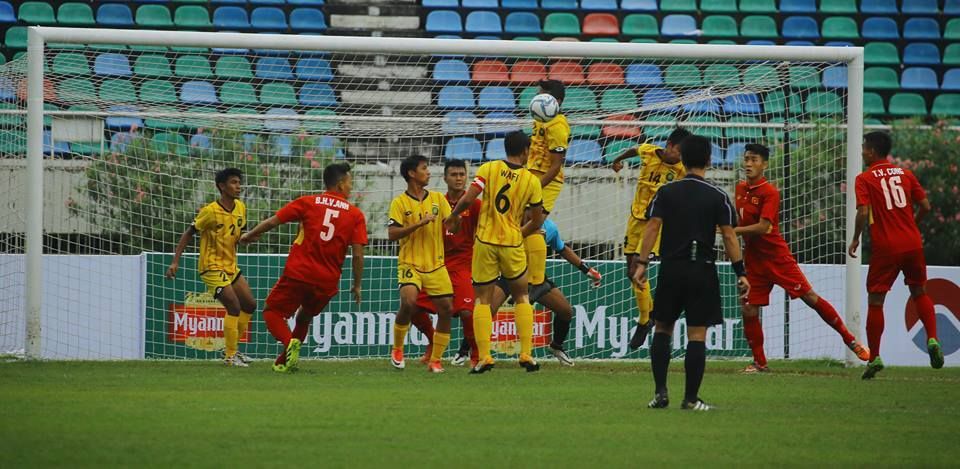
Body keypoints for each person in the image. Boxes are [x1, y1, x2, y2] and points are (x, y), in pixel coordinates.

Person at [633, 135, 749, 411]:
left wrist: (641, 263)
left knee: (662, 328)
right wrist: (740, 272)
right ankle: (691, 399)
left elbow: (651, 227)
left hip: (671, 269)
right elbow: (730, 237)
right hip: (702, 270)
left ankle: (661, 393)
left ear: (682, 160)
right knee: (697, 335)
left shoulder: (666, 192)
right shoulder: (717, 195)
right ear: (709, 160)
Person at [735, 143, 870, 373]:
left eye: (754, 159)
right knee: (748, 309)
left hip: (777, 257)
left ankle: (851, 340)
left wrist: (731, 232)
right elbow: (741, 221)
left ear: (764, 164)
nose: (748, 163)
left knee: (809, 297)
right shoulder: (739, 189)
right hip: (754, 261)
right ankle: (760, 363)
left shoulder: (770, 192)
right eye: (746, 159)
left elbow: (764, 228)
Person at [239, 163, 367, 373]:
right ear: (341, 184)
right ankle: (284, 362)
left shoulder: (308, 202)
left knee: (271, 311)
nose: (351, 187)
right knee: (304, 316)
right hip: (327, 281)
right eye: (350, 182)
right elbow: (358, 254)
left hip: (300, 272)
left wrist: (249, 235)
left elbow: (273, 222)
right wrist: (357, 284)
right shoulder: (355, 215)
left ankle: (290, 345)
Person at [445, 130, 546, 373]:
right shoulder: (532, 181)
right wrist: (517, 234)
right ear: (525, 151)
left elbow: (469, 199)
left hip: (485, 242)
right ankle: (525, 354)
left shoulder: (488, 169)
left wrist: (454, 215)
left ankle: (485, 357)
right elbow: (537, 221)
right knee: (522, 295)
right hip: (512, 243)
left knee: (482, 299)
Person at [849, 131, 942, 379]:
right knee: (920, 291)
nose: (861, 152)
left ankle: (875, 356)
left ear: (871, 151)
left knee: (876, 301)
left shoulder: (864, 178)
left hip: (885, 247)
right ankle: (932, 338)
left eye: (863, 148)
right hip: (912, 243)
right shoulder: (906, 174)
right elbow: (926, 206)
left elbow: (862, 212)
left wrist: (856, 237)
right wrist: (912, 224)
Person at [167, 168, 256, 367]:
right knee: (233, 305)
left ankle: (232, 350)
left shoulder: (241, 207)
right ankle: (230, 357)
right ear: (221, 186)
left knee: (249, 304)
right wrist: (175, 261)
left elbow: (238, 234)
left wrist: (248, 237)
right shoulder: (210, 211)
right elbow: (188, 233)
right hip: (211, 267)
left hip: (230, 266)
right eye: (233, 182)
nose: (238, 186)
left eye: (239, 182)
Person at [610, 128, 690, 350]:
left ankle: (645, 321)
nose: (680, 157)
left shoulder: (682, 170)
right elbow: (634, 149)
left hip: (656, 225)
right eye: (679, 152)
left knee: (638, 269)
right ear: (670, 145)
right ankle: (650, 315)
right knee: (630, 272)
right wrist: (617, 160)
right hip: (635, 218)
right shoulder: (649, 152)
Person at [483, 218, 601, 367]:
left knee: (566, 311)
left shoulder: (549, 227)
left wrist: (587, 270)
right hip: (508, 275)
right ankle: (467, 351)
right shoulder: (509, 221)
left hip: (536, 279)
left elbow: (562, 249)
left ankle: (556, 346)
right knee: (487, 311)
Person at [406, 159, 481, 368]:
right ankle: (432, 341)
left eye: (462, 174)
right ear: (445, 178)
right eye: (454, 174)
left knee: (467, 312)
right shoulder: (436, 202)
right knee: (411, 306)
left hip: (463, 265)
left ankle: (476, 355)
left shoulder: (474, 204)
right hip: (437, 264)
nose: (458, 178)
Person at [387, 155, 456, 373]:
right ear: (411, 173)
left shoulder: (438, 198)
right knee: (409, 302)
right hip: (410, 263)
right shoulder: (399, 202)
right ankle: (398, 348)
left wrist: (458, 217)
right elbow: (391, 234)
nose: (429, 172)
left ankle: (435, 360)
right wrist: (419, 223)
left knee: (446, 309)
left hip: (436, 264)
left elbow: (454, 227)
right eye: (424, 168)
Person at [527, 79, 570, 216]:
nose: (537, 100)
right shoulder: (540, 118)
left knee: (531, 223)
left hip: (548, 182)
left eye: (543, 97)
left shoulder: (558, 126)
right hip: (532, 176)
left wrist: (536, 187)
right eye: (538, 96)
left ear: (557, 102)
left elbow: (556, 165)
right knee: (519, 223)